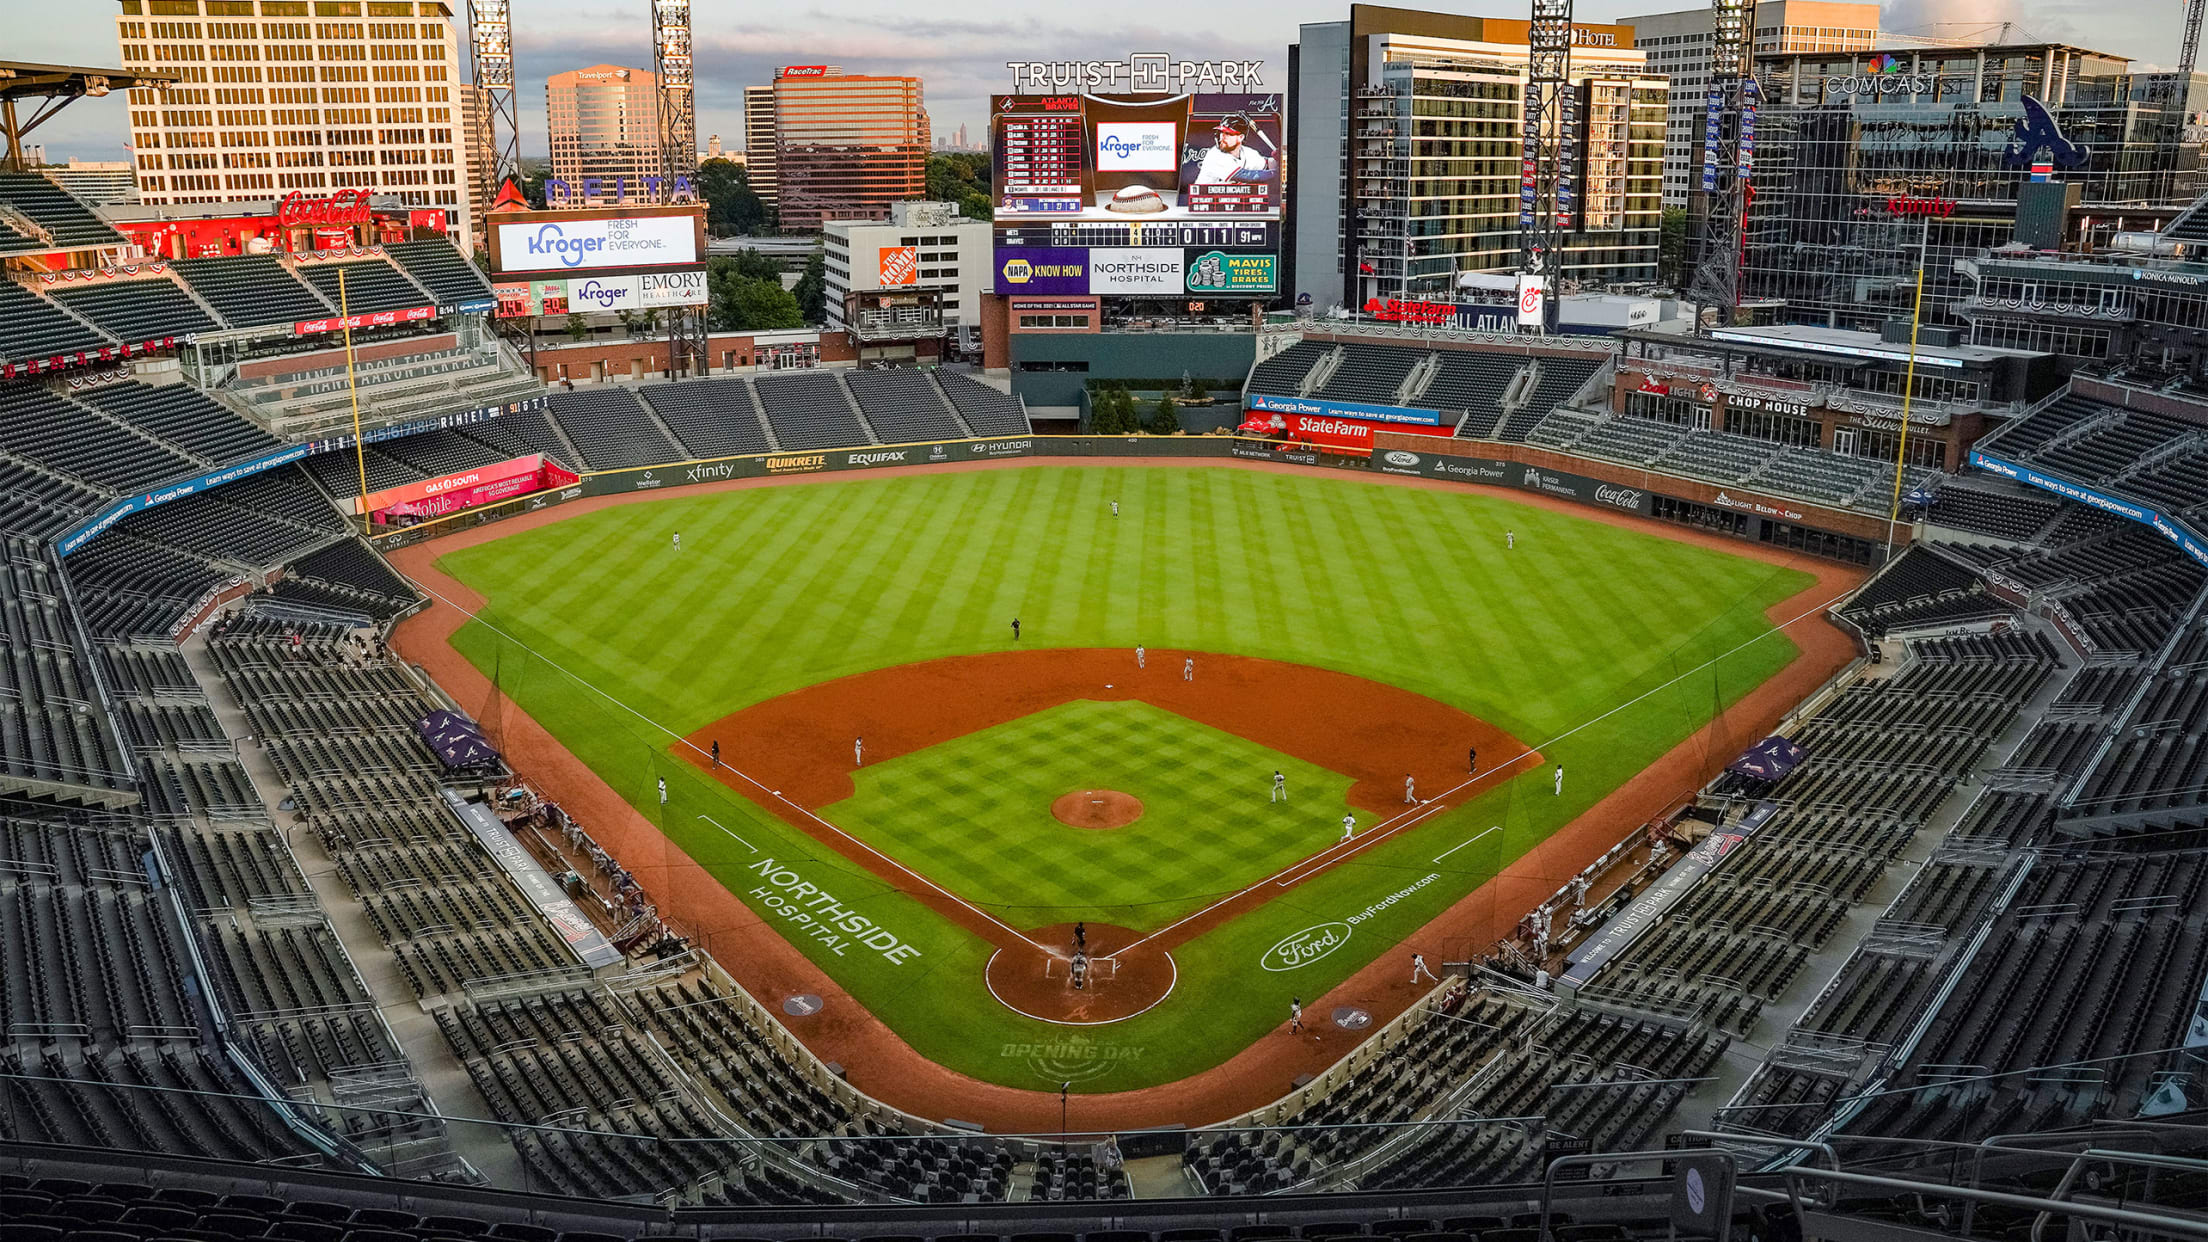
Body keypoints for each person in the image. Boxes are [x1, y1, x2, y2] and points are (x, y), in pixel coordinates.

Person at [1193, 116, 1277, 184]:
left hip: (1230, 202)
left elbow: (1269, 164)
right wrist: (1276, 173)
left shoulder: (1249, 153)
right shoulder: (1215, 155)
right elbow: (1246, 176)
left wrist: (1280, 159)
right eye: (1221, 132)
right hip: (1203, 201)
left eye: (1228, 133)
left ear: (1241, 137)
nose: (1222, 137)